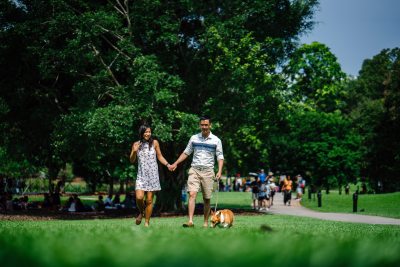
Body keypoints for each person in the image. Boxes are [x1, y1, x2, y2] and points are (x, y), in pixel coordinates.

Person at [169, 116, 224, 228]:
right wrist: (175, 163)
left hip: (208, 171)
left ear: (210, 125)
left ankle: (205, 222)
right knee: (192, 194)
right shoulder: (194, 138)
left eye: (206, 125)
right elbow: (186, 152)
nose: (204, 127)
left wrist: (219, 170)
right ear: (200, 125)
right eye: (202, 125)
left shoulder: (216, 140)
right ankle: (190, 221)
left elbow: (220, 156)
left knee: (207, 198)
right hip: (194, 169)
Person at [130, 124, 170, 227]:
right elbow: (132, 160)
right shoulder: (136, 144)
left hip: (153, 175)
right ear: (141, 133)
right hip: (141, 175)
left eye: (149, 132)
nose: (148, 134)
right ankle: (141, 212)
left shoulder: (155, 143)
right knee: (139, 197)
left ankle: (147, 222)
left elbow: (160, 156)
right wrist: (134, 151)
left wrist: (168, 165)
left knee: (149, 200)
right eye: (145, 132)